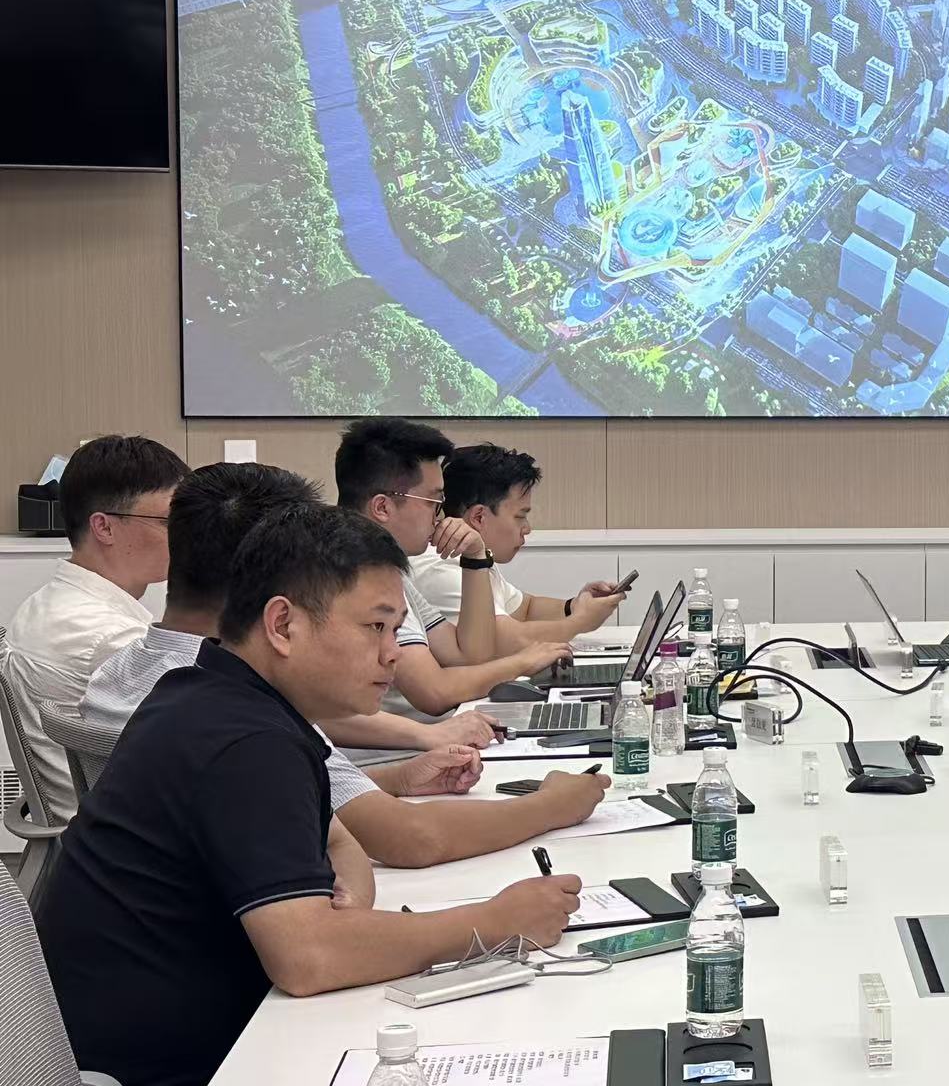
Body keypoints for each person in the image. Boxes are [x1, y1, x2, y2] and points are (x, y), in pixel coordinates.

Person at [39, 504, 584, 1086]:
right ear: (282, 625)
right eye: (375, 627)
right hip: (176, 1066)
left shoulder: (215, 692)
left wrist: (342, 897)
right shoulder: (245, 740)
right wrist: (496, 921)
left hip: (203, 1032)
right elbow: (309, 957)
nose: (392, 653)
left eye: (396, 630)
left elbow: (337, 838)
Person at [82, 463, 607, 869]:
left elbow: (292, 797)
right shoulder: (235, 706)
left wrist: (399, 778)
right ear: (277, 600)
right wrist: (554, 805)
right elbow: (410, 838)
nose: (388, 650)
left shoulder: (123, 673)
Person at [334, 418, 571, 726]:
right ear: (382, 507)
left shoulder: (392, 570)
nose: (441, 516)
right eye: (434, 502)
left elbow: (469, 655)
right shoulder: (356, 574)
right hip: (404, 748)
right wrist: (522, 663)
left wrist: (475, 557)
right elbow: (434, 693)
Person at [5, 434, 187, 818]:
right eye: (169, 520)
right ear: (104, 527)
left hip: (85, 818)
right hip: (123, 830)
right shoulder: (112, 637)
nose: (187, 535)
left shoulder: (46, 603)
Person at [410, 442, 624, 646]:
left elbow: (526, 609)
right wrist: (581, 621)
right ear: (479, 517)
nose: (527, 528)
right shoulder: (441, 565)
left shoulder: (475, 556)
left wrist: (575, 605)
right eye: (520, 516)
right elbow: (504, 640)